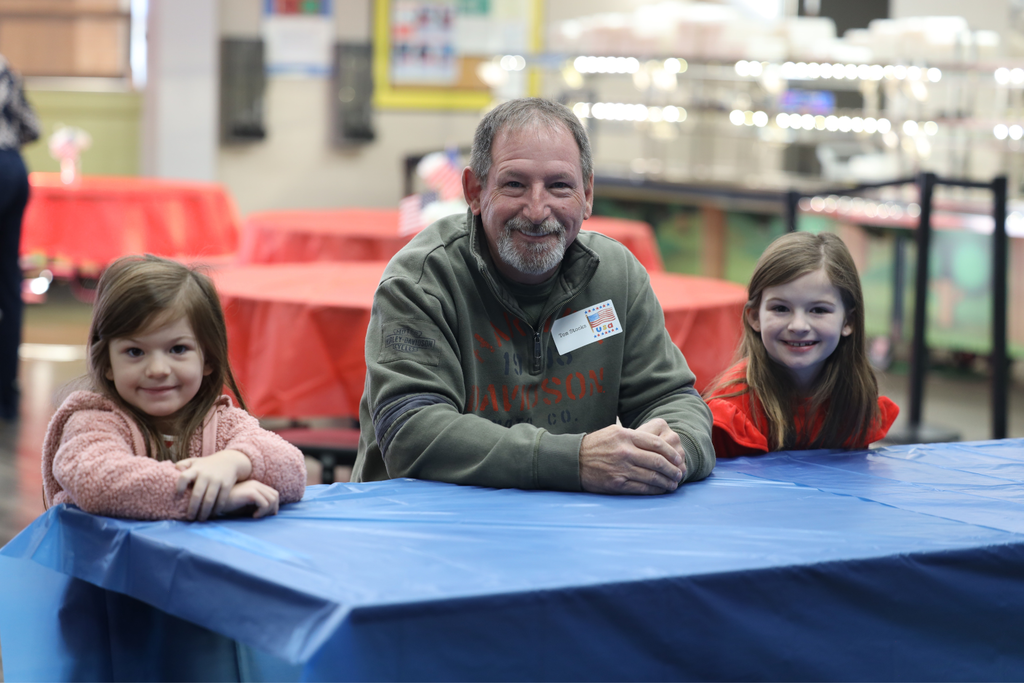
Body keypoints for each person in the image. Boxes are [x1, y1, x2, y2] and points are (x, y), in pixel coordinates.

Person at [352, 98, 714, 494]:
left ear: (588, 193)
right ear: (474, 191)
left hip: (568, 528)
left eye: (559, 185)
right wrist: (574, 461)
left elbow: (673, 398)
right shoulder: (422, 281)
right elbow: (410, 432)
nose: (538, 210)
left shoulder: (616, 275)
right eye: (514, 184)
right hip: (423, 529)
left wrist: (678, 451)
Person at [42, 255, 307, 521]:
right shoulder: (93, 421)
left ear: (208, 359)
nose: (158, 369)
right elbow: (96, 481)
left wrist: (234, 462)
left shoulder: (222, 424)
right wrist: (211, 497)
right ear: (107, 363)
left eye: (178, 349)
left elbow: (291, 468)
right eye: (135, 351)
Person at [703, 231, 899, 456]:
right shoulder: (733, 409)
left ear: (848, 321)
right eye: (781, 308)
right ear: (755, 317)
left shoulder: (853, 394)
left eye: (818, 310)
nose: (798, 326)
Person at [0, 54, 40, 420]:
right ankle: (7, 396)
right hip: (12, 167)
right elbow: (32, 127)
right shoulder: (7, 69)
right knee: (8, 285)